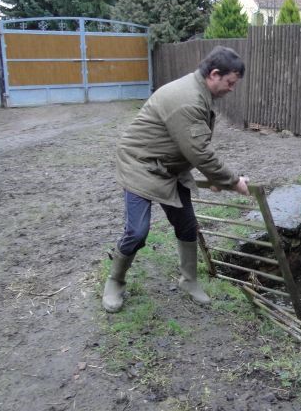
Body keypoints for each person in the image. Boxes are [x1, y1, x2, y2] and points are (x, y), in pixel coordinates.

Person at [103, 46, 250, 312]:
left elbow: (192, 145)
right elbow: (200, 152)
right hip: (141, 164)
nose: (232, 89)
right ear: (215, 74)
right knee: (137, 232)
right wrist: (232, 181)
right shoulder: (188, 99)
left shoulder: (198, 91)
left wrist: (214, 176)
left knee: (186, 225)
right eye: (230, 83)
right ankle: (115, 280)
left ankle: (189, 280)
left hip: (170, 167)